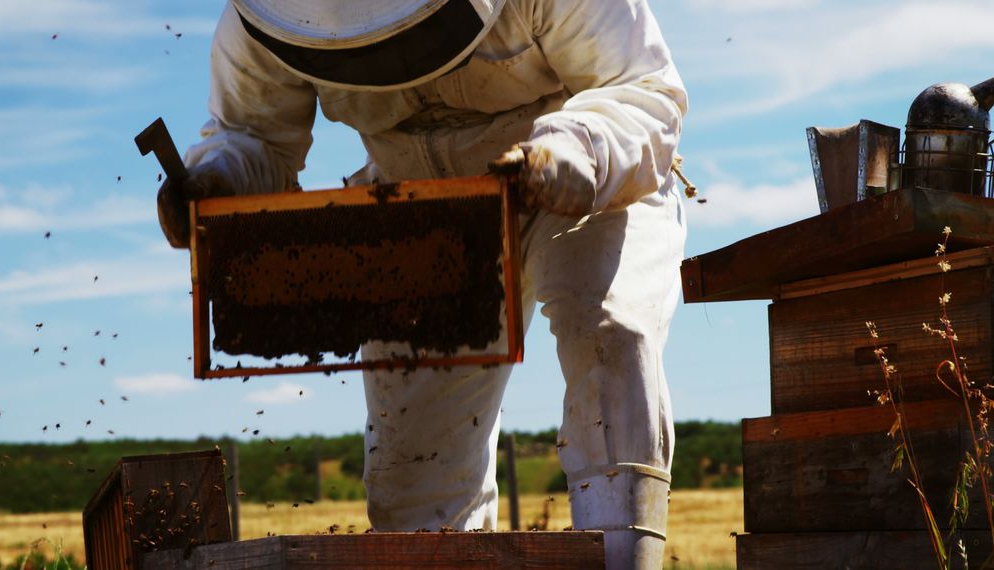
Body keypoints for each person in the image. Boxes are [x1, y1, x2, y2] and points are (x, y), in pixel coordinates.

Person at [158, 0, 687, 566]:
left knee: (608, 335)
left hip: (581, 176)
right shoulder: (267, 16)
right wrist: (218, 179)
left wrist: (578, 150)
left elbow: (642, 90)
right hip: (421, 215)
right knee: (415, 475)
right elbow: (253, 134)